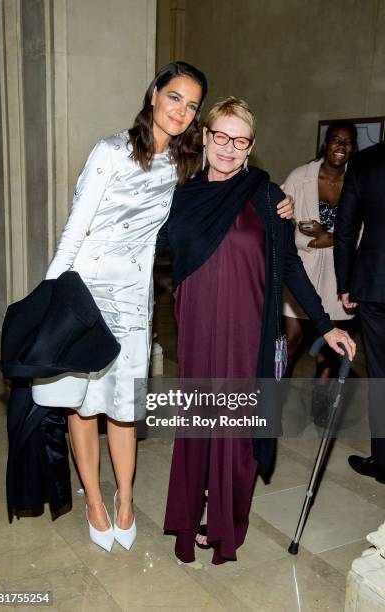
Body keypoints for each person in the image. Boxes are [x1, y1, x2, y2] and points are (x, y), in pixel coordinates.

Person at [42, 64, 294, 553]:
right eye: (174, 97)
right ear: (154, 94)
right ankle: (96, 500)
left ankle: (126, 501)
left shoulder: (178, 168)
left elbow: (216, 203)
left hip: (136, 300)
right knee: (81, 402)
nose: (181, 110)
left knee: (122, 406)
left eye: (192, 104)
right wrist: (54, 295)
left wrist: (278, 206)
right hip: (87, 292)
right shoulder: (110, 152)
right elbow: (75, 229)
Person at [163, 97, 356, 564]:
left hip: (247, 328)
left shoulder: (268, 197)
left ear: (252, 146)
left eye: (240, 140)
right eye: (221, 137)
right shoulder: (180, 195)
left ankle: (225, 522)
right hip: (196, 325)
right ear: (205, 138)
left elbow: (289, 265)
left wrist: (326, 324)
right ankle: (190, 514)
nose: (229, 148)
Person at [282, 121, 357, 419]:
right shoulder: (300, 176)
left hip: (341, 275)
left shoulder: (357, 180)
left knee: (332, 348)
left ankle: (321, 408)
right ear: (325, 143)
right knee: (289, 342)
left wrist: (329, 237)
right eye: (335, 140)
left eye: (348, 142)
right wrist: (313, 240)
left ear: (353, 147)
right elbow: (285, 227)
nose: (341, 146)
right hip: (302, 270)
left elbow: (364, 229)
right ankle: (272, 400)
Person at [334, 140, 385, 483]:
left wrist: (345, 282)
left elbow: (346, 229)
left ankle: (383, 462)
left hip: (374, 283)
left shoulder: (367, 161)